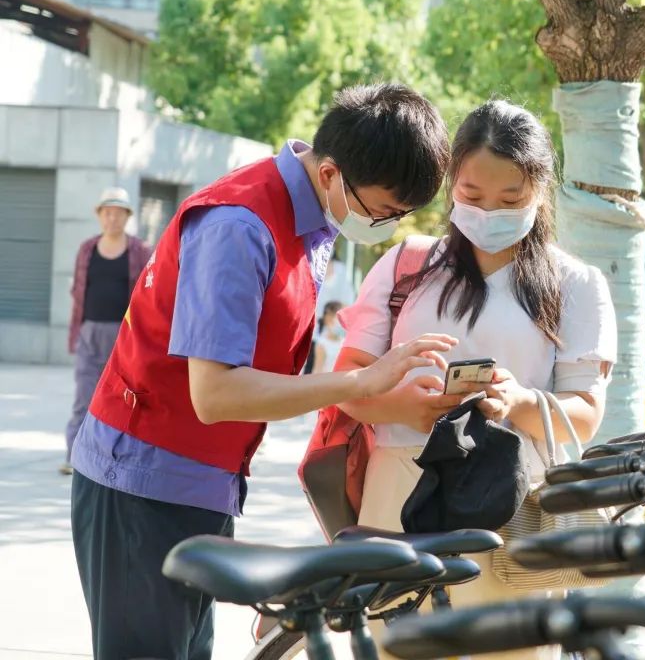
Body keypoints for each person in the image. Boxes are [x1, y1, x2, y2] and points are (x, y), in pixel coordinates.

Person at [69, 83, 456, 660]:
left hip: (203, 482)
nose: (389, 225)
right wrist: (355, 384)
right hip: (142, 481)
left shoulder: (312, 215)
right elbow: (216, 392)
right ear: (329, 174)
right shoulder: (239, 226)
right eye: (384, 210)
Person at [334, 100, 617, 660]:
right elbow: (347, 382)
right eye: (471, 196)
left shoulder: (577, 284)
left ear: (540, 190)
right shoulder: (405, 266)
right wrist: (398, 405)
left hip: (512, 507)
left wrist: (517, 401)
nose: (490, 212)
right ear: (450, 186)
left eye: (511, 199)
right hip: (398, 498)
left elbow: (584, 411)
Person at [63, 187, 153, 475]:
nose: (112, 218)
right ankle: (73, 456)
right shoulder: (87, 248)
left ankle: (119, 459)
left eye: (118, 212)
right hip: (89, 331)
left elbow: (148, 292)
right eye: (107, 212)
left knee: (124, 399)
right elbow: (79, 289)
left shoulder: (140, 250)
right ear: (100, 215)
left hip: (124, 335)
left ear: (127, 216)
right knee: (83, 397)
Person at [312, 300, 346, 373]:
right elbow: (317, 371)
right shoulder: (322, 344)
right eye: (340, 318)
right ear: (329, 318)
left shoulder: (345, 343)